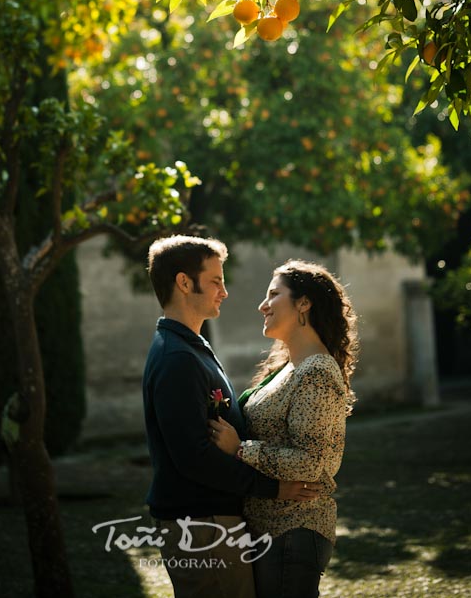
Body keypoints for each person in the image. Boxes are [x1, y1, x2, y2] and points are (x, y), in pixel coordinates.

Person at [143, 236, 321, 598]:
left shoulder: (191, 347)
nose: (224, 291)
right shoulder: (177, 358)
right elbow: (194, 458)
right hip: (202, 526)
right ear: (183, 283)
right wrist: (275, 489)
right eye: (215, 281)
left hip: (211, 522)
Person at [209, 259, 359, 598]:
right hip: (270, 531)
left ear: (303, 303)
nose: (263, 305)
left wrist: (239, 448)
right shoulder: (291, 367)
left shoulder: (316, 371)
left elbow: (311, 464)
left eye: (274, 295)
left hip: (295, 531)